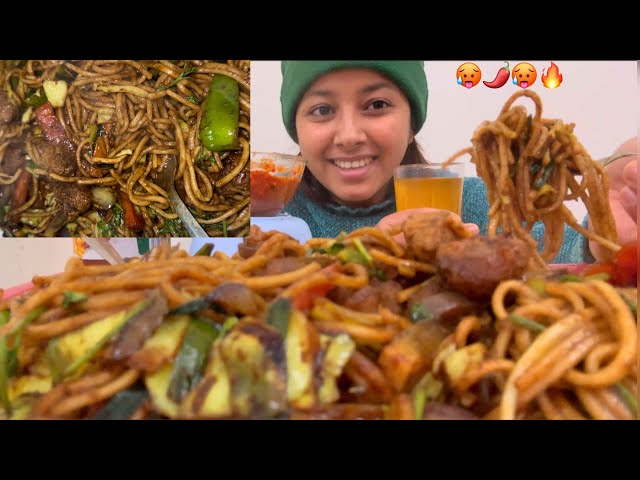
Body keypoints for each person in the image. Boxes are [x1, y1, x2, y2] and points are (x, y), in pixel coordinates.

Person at [280, 60, 636, 264]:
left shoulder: (474, 202)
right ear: (296, 128)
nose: (349, 135)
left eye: (376, 105)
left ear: (411, 123)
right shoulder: (268, 210)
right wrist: (366, 254)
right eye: (322, 110)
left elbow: (545, 254)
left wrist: (600, 236)